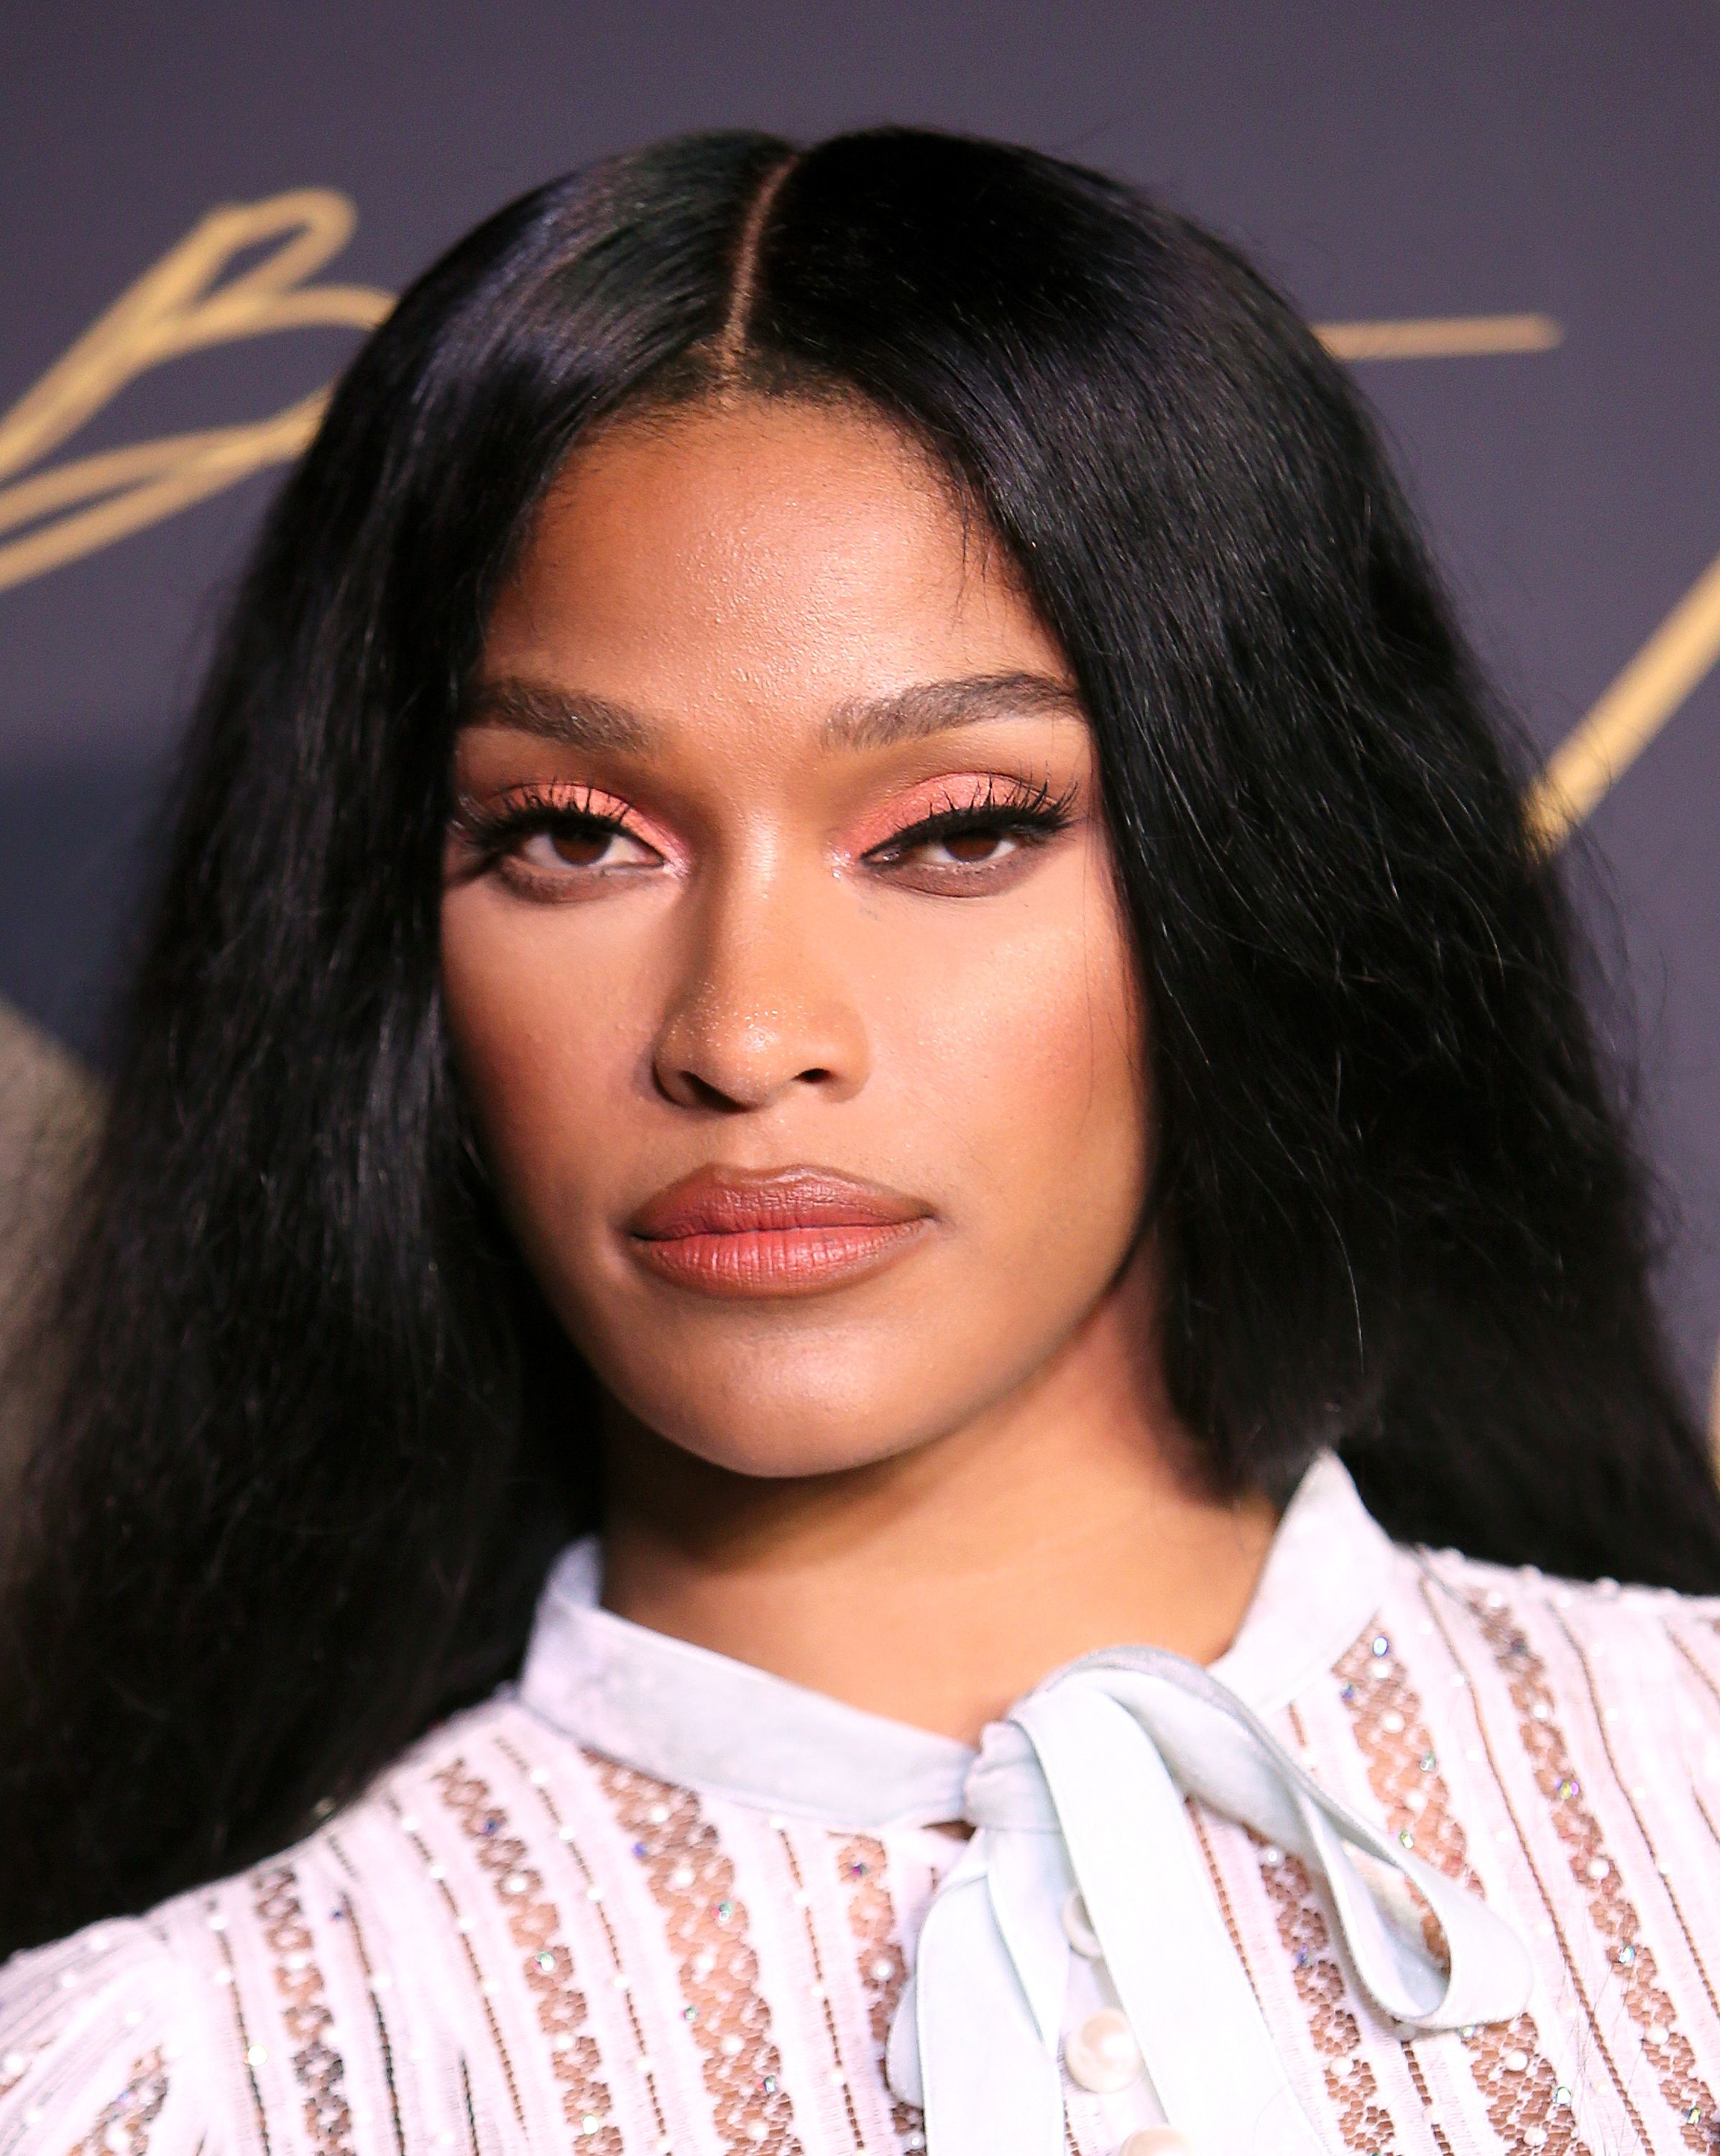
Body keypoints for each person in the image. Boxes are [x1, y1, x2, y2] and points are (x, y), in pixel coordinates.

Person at [1, 124, 1718, 2156]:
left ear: (1255, 867)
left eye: (957, 830)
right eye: (570, 837)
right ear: (394, 937)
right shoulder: (168, 2084)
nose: (744, 1034)